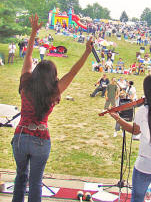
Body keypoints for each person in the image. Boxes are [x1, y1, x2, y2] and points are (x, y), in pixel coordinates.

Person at [11, 14, 92, 202]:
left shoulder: (26, 83)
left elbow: (29, 56)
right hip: (41, 139)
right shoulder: (54, 90)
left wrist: (33, 33)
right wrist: (87, 53)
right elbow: (73, 72)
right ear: (52, 76)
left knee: (20, 178)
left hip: (21, 136)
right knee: (36, 182)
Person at [108, 74, 151, 202]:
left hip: (147, 164)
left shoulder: (143, 111)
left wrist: (117, 118)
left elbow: (135, 131)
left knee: (137, 197)